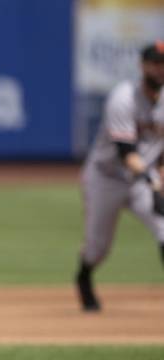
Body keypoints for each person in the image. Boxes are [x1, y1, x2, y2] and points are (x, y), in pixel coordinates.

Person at [75, 41, 164, 311]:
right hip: (106, 178)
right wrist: (154, 183)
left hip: (141, 180)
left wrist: (160, 182)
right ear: (143, 65)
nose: (161, 69)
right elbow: (127, 153)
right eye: (156, 63)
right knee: (97, 248)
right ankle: (84, 277)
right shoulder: (123, 98)